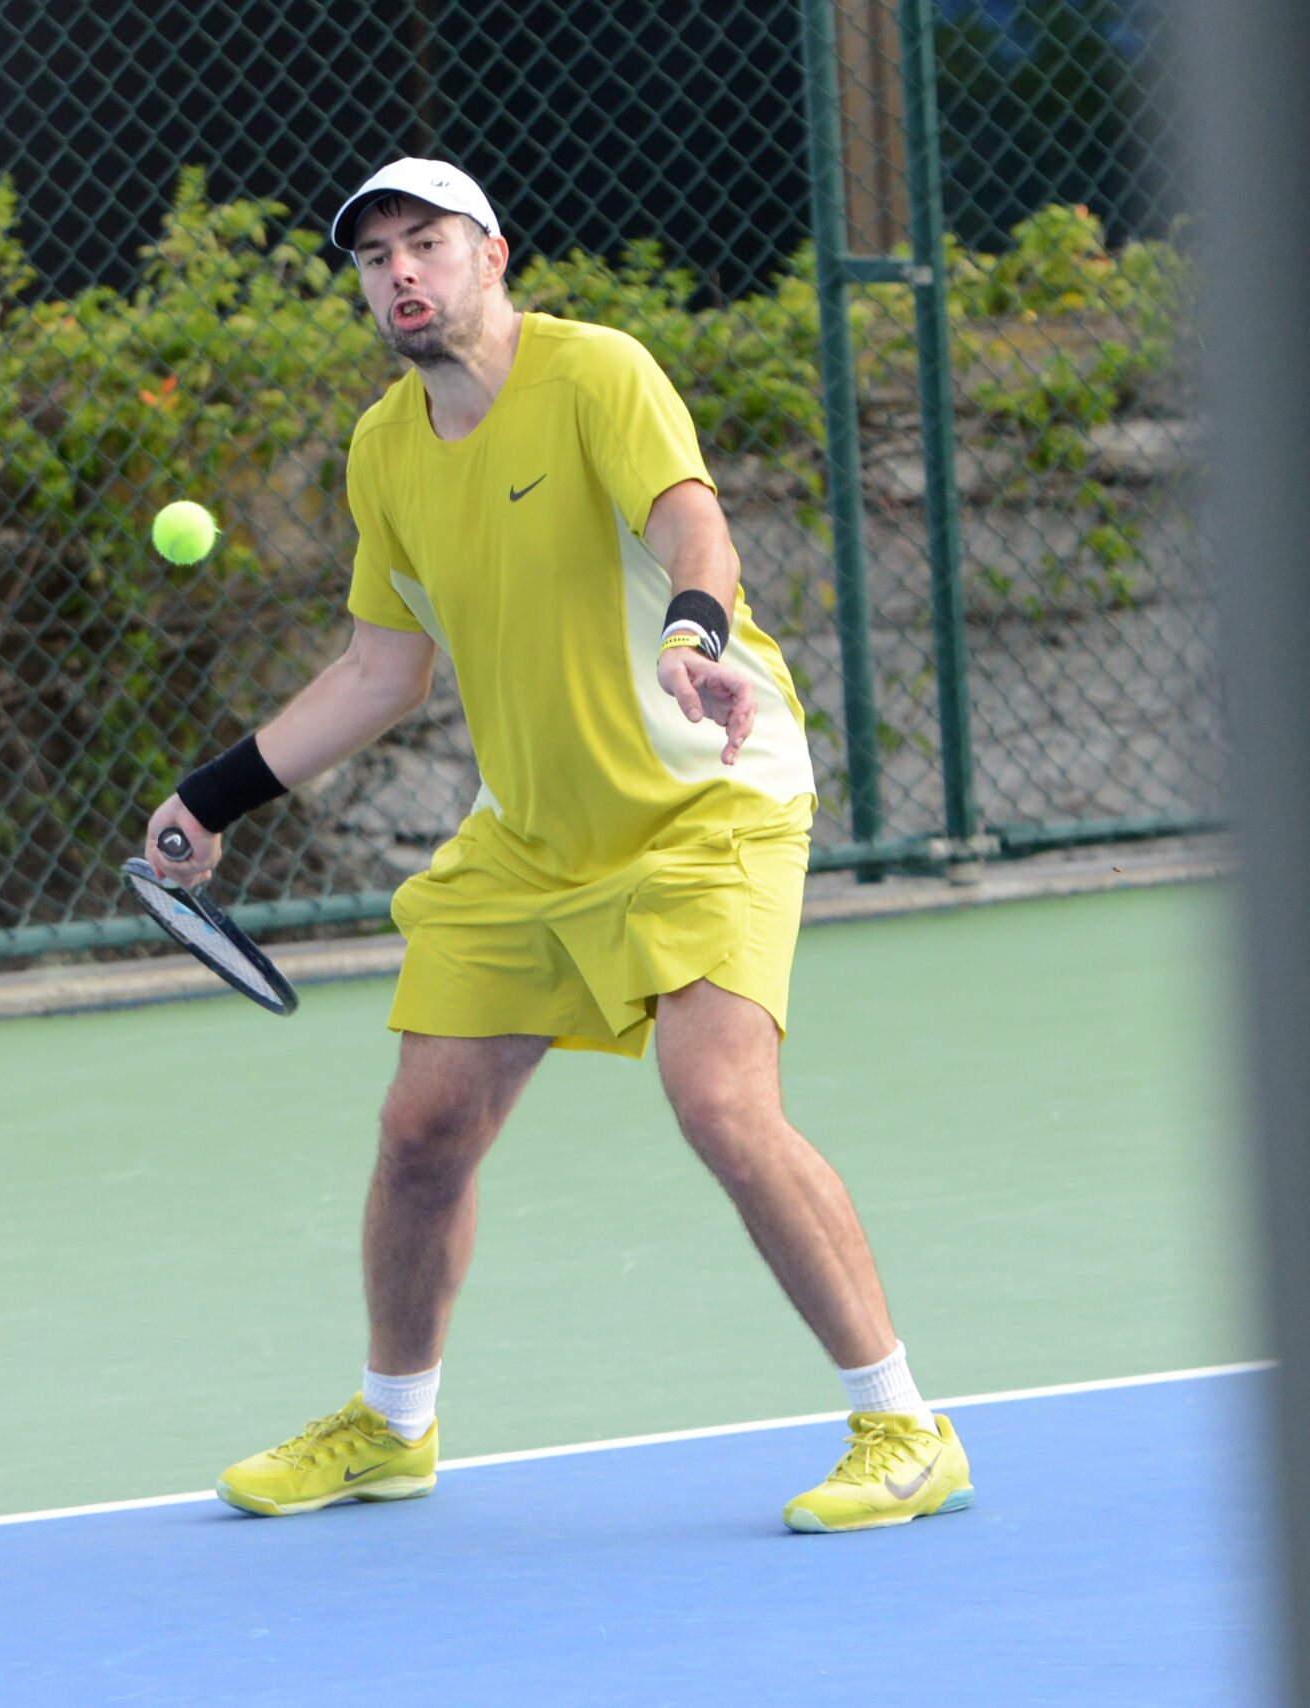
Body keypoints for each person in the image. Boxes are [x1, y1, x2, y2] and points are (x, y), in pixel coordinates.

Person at [144, 159, 972, 1534]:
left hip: (708, 799)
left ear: (492, 255)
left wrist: (694, 632)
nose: (400, 274)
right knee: (422, 1132)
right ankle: (391, 1427)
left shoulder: (596, 373)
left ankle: (905, 1425)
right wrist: (213, 797)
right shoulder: (384, 450)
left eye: (426, 243)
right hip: (531, 835)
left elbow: (692, 520)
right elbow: (380, 670)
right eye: (374, 258)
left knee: (720, 1102)